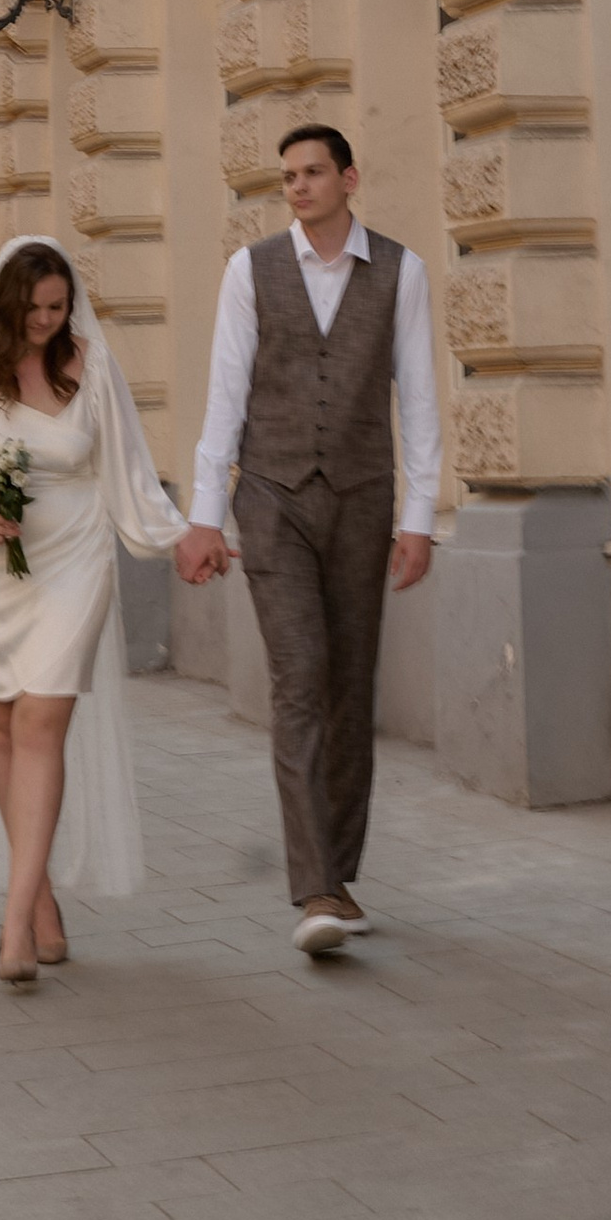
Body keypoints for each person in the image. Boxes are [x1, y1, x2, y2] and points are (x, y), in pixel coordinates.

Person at [0, 234, 216, 987]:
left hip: (75, 554)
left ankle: (13, 924)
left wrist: (175, 537)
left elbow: (128, 466)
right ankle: (40, 895)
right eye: (37, 308)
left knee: (42, 715)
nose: (48, 321)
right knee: (4, 725)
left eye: (59, 307)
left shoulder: (91, 363)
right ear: (9, 304)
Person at [182, 124, 441, 955]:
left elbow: (419, 400)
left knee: (350, 685)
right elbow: (225, 395)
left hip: (364, 498)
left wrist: (419, 517)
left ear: (348, 179)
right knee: (301, 677)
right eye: (287, 176)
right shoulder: (249, 270)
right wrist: (204, 514)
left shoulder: (401, 271)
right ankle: (315, 888)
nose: (296, 187)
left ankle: (342, 873)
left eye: (312, 173)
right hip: (273, 499)